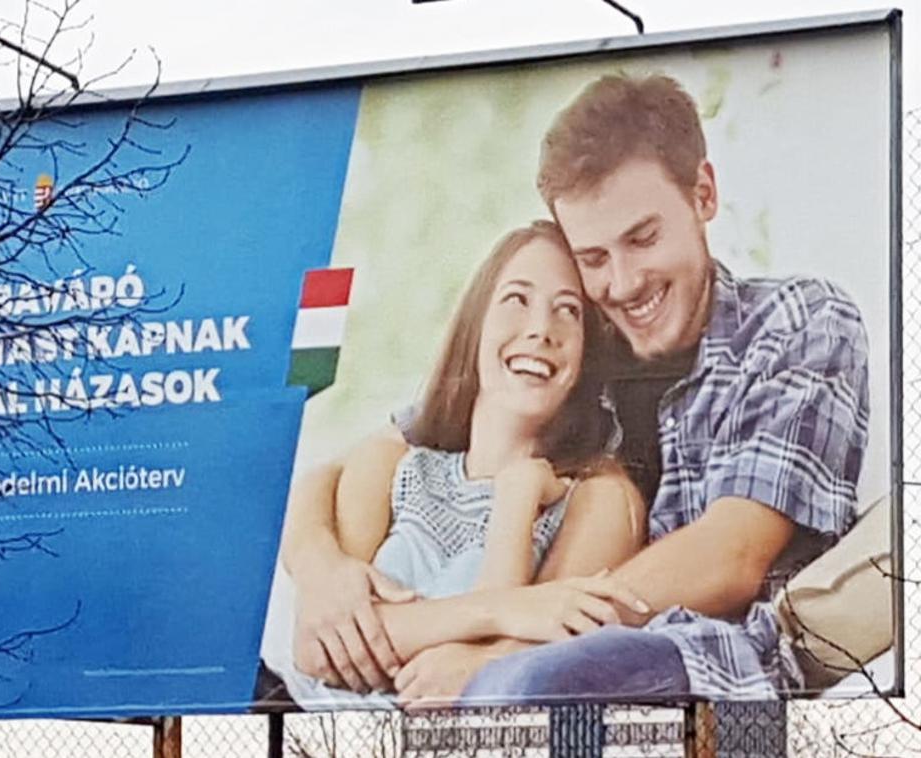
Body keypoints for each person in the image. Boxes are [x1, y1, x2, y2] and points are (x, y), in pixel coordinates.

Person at [280, 72, 870, 706]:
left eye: (643, 239)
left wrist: (512, 648)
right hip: (549, 661)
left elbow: (731, 557)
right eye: (593, 257)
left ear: (703, 194)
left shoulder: (798, 321)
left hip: (712, 667)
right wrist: (326, 577)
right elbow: (337, 471)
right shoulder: (575, 344)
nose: (622, 282)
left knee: (524, 686)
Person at [261, 222, 646, 711]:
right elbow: (322, 648)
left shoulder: (594, 498)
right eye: (516, 299)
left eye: (568, 311)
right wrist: (502, 611)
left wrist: (518, 495)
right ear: (475, 325)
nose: (540, 330)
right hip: (300, 720)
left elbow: (510, 669)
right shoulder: (398, 465)